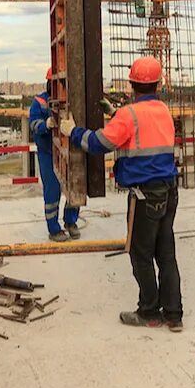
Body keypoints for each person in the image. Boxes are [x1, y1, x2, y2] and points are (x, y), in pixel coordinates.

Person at [61, 56, 183, 331]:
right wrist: (115, 112)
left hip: (144, 197)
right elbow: (141, 125)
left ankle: (149, 312)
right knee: (165, 254)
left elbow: (99, 142)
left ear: (132, 85)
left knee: (140, 254)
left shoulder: (129, 115)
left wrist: (73, 131)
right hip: (170, 192)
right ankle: (174, 316)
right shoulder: (163, 110)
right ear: (158, 84)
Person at [29, 67, 81, 242]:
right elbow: (33, 125)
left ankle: (71, 221)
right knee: (52, 191)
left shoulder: (72, 101)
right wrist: (46, 124)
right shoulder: (40, 102)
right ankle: (53, 228)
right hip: (47, 153)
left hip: (69, 150)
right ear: (50, 83)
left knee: (75, 187)